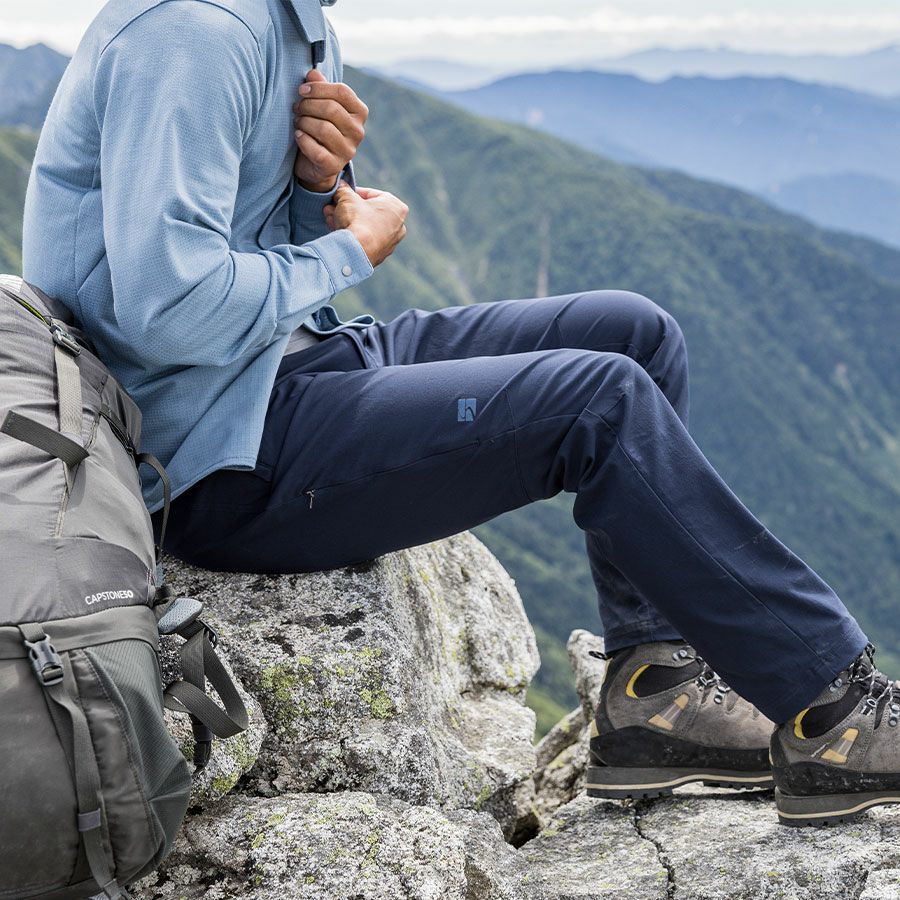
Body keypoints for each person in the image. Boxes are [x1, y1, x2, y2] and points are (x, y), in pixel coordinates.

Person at [21, 0, 899, 828]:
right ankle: (835, 709)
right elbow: (168, 310)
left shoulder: (286, 21)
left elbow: (228, 254)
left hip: (284, 363)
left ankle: (656, 694)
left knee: (633, 333)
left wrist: (311, 190)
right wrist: (347, 249)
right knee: (597, 400)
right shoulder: (195, 33)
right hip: (212, 454)